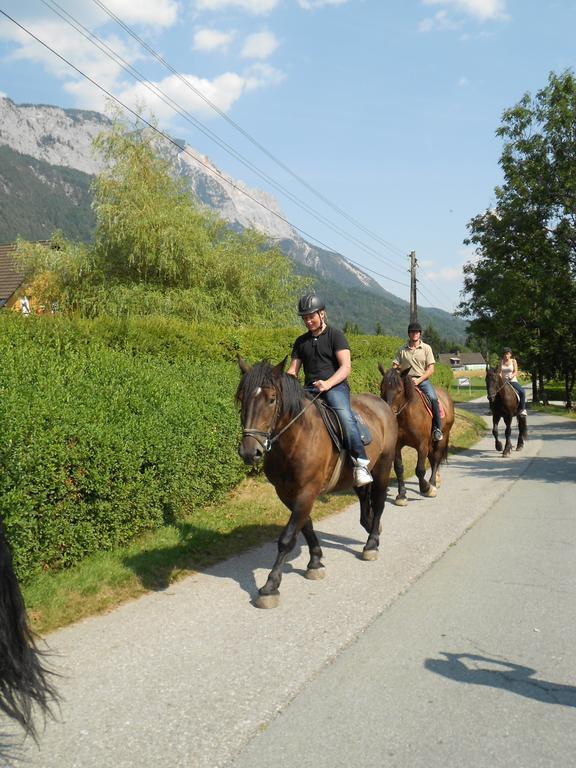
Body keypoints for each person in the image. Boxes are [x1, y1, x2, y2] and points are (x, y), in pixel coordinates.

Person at [287, 293, 372, 486]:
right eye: (305, 318)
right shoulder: (301, 342)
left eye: (311, 316)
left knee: (344, 415)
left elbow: (346, 367)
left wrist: (327, 383)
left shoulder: (336, 336)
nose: (308, 321)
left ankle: (360, 463)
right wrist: (286, 380)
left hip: (335, 388)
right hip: (309, 389)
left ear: (322, 314)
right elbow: (293, 370)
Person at [392, 320, 444, 442]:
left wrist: (419, 380)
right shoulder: (402, 350)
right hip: (405, 381)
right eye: (412, 332)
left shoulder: (426, 348)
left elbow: (431, 369)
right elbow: (395, 365)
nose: (414, 334)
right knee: (392, 398)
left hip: (422, 380)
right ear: (409, 334)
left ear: (420, 334)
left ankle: (437, 429)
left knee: (433, 399)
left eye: (416, 332)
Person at [499, 347, 527, 416]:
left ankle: (522, 409)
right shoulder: (501, 362)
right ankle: (492, 409)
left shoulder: (513, 361)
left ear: (510, 354)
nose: (506, 355)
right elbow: (500, 372)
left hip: (512, 380)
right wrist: (500, 377)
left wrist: (511, 376)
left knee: (522, 392)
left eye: (507, 354)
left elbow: (515, 371)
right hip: (503, 382)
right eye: (505, 354)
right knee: (493, 393)